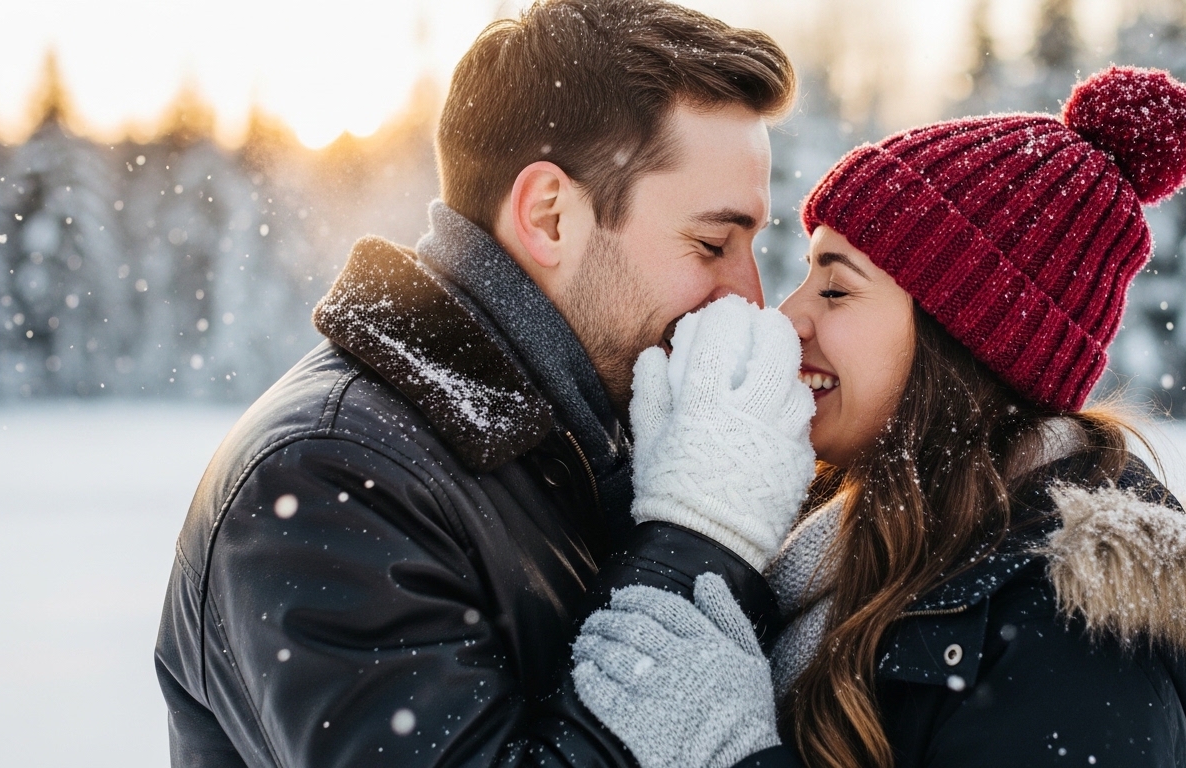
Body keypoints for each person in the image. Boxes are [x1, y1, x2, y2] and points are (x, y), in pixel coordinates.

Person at [154, 1, 819, 766]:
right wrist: (699, 535)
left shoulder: (596, 437)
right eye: (711, 242)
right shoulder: (326, 480)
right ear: (549, 215)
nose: (750, 297)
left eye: (755, 244)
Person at [571, 67, 1186, 768]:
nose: (787, 317)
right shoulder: (856, 542)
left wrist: (734, 753)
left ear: (964, 340)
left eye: (837, 288)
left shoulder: (1083, 637)